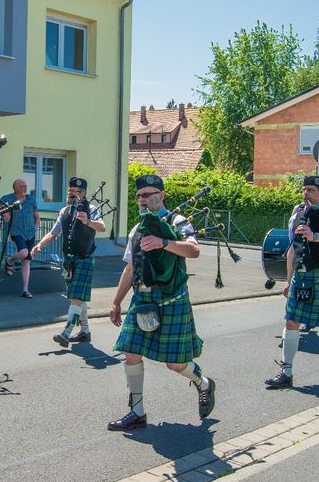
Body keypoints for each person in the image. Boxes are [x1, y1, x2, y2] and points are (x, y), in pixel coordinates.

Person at [106, 174, 215, 431]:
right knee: (130, 353)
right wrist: (116, 301)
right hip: (143, 298)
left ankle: (204, 384)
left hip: (172, 298)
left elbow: (193, 250)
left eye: (148, 194)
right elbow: (131, 266)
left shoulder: (178, 221)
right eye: (139, 195)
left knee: (175, 363)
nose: (142, 199)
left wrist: (163, 242)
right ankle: (137, 413)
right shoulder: (138, 228)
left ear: (161, 195)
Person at [266, 175, 319, 389]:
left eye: (311, 189)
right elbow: (293, 248)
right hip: (301, 276)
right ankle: (286, 372)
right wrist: (288, 280)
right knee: (291, 321)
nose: (306, 193)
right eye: (304, 189)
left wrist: (314, 236)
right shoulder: (297, 213)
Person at [31, 177, 106, 346]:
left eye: (76, 192)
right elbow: (53, 233)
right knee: (77, 297)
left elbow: (102, 227)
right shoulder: (64, 211)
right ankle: (85, 331)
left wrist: (88, 221)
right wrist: (39, 245)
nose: (72, 195)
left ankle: (66, 332)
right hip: (69, 260)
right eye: (70, 191)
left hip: (85, 257)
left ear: (84, 194)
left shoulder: (91, 209)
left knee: (77, 296)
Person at [0, 179, 40, 298]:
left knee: (27, 260)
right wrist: (5, 212)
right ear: (15, 188)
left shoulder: (31, 200)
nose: (25, 188)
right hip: (16, 231)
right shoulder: (8, 198)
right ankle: (10, 260)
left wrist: (35, 227)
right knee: (24, 253)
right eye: (22, 186)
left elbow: (37, 216)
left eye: (26, 186)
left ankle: (25, 289)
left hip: (30, 233)